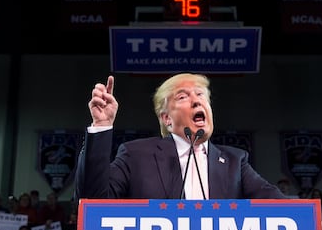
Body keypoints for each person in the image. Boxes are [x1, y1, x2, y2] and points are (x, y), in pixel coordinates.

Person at [75, 74, 287, 200]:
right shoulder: (136, 155)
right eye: (184, 96)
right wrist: (102, 126)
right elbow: (92, 201)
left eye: (201, 95)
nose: (197, 101)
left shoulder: (235, 161)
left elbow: (275, 202)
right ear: (166, 118)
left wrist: (309, 217)